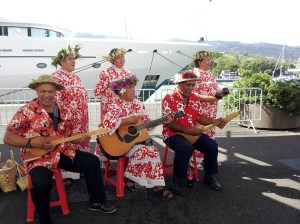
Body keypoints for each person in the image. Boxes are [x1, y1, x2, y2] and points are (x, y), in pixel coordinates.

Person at [3, 75, 116, 224]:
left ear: (56, 92)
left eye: (51, 91)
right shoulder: (26, 111)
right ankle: (45, 218)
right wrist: (31, 142)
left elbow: (68, 136)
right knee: (41, 184)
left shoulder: (64, 110)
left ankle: (97, 202)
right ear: (36, 91)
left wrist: (80, 138)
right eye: (43, 91)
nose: (47, 95)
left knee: (92, 162)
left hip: (62, 152)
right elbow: (8, 138)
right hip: (38, 158)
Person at [99, 74, 174, 199]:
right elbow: (106, 125)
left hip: (137, 142)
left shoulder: (139, 104)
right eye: (130, 88)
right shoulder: (114, 105)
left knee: (153, 151)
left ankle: (154, 184)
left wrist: (162, 121)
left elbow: (147, 124)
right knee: (146, 151)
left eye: (134, 87)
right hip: (122, 144)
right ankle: (141, 180)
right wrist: (126, 121)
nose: (134, 90)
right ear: (122, 92)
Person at [162, 71, 227, 197]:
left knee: (212, 145)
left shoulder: (194, 97)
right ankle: (177, 183)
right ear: (179, 84)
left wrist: (215, 121)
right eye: (188, 85)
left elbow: (200, 117)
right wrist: (188, 130)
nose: (191, 88)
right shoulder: (169, 97)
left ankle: (210, 177)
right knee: (186, 148)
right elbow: (169, 123)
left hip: (191, 133)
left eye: (193, 85)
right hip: (172, 134)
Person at [51, 45, 89, 185]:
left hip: (81, 119)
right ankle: (66, 173)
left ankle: (80, 167)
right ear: (61, 62)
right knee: (68, 141)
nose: (73, 61)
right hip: (67, 120)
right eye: (70, 59)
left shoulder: (77, 77)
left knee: (80, 140)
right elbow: (56, 101)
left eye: (74, 59)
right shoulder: (56, 77)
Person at [94, 48, 135, 165]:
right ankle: (105, 161)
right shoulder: (105, 73)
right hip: (109, 107)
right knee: (108, 131)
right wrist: (110, 87)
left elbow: (132, 91)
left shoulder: (129, 73)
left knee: (123, 130)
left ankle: (122, 153)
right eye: (118, 57)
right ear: (112, 60)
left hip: (124, 106)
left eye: (123, 57)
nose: (122, 59)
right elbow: (97, 92)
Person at [192, 51, 227, 169]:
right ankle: (195, 161)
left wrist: (221, 93)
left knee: (210, 132)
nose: (209, 62)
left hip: (212, 109)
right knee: (200, 133)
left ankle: (209, 158)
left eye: (209, 60)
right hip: (201, 111)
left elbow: (214, 91)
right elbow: (193, 95)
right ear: (199, 61)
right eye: (207, 60)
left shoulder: (210, 74)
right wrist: (211, 98)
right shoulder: (195, 74)